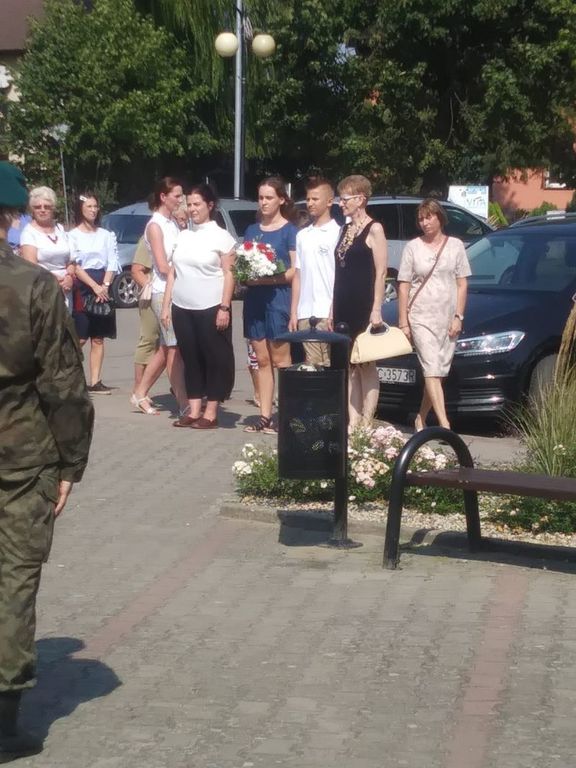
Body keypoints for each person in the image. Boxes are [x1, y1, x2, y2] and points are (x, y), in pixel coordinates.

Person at [0, 162, 94, 761]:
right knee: (13, 579)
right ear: (10, 217)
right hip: (21, 457)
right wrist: (70, 463)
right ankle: (3, 722)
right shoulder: (32, 285)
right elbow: (63, 384)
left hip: (21, 456)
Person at [162, 184, 236, 429]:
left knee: (214, 358)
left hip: (211, 306)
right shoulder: (183, 235)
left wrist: (224, 307)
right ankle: (194, 410)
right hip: (182, 307)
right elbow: (173, 272)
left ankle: (211, 412)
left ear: (210, 205)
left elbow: (229, 274)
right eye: (189, 204)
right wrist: (166, 305)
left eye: (197, 204)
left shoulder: (222, 237)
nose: (192, 209)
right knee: (190, 358)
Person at [397, 198, 470, 430]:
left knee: (438, 372)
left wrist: (458, 316)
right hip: (420, 315)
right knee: (431, 367)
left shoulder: (456, 246)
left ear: (440, 218)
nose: (425, 223)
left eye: (429, 217)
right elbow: (403, 285)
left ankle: (420, 417)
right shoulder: (413, 247)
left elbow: (462, 284)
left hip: (447, 317)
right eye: (421, 219)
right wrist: (403, 322)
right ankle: (444, 425)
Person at [331, 174, 387, 428]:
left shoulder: (374, 228)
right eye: (340, 199)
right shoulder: (345, 229)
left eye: (345, 199)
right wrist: (331, 308)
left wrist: (377, 308)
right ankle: (352, 420)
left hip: (363, 303)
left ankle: (367, 419)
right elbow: (339, 271)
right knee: (349, 363)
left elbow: (381, 272)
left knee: (366, 362)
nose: (341, 203)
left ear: (360, 199)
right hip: (343, 302)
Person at [243, 177, 298, 433]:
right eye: (260, 197)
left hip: (278, 299)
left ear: (281, 200)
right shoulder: (252, 230)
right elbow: (243, 263)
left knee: (280, 360)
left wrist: (268, 278)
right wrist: (244, 274)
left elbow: (293, 271)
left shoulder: (290, 231)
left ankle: (284, 415)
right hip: (254, 300)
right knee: (262, 360)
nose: (263, 202)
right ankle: (264, 415)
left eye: (269, 197)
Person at [130, 177, 187, 416]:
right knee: (173, 348)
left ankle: (140, 393)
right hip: (162, 291)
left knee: (167, 347)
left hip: (177, 289)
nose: (181, 200)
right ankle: (184, 403)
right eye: (177, 195)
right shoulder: (155, 225)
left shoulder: (172, 222)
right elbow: (162, 266)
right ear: (163, 197)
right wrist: (187, 271)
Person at [69, 193, 119, 394]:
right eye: (89, 206)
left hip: (102, 283)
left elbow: (112, 261)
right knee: (81, 335)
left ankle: (95, 381)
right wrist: (93, 286)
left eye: (95, 206)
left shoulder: (106, 235)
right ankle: (67, 376)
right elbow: (75, 265)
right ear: (80, 208)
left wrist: (105, 285)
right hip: (83, 285)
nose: (92, 210)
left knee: (98, 337)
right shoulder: (72, 235)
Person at [289, 176, 340, 366]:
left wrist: (333, 308)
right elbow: (298, 275)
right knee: (312, 364)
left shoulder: (338, 233)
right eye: (308, 199)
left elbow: (339, 276)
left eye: (315, 199)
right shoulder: (302, 235)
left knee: (329, 364)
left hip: (327, 310)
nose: (310, 203)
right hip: (305, 311)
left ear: (329, 201)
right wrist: (294, 311)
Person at [20, 186, 73, 310]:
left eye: (47, 206)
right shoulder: (28, 233)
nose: (42, 210)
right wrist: (55, 279)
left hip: (66, 289)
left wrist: (70, 277)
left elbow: (71, 260)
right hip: (43, 288)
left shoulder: (60, 229)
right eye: (37, 207)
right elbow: (31, 266)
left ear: (53, 208)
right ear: (32, 210)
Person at [131, 235, 165, 401]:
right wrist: (151, 289)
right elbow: (136, 270)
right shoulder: (151, 236)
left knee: (171, 345)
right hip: (151, 296)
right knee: (150, 339)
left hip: (173, 296)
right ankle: (138, 390)